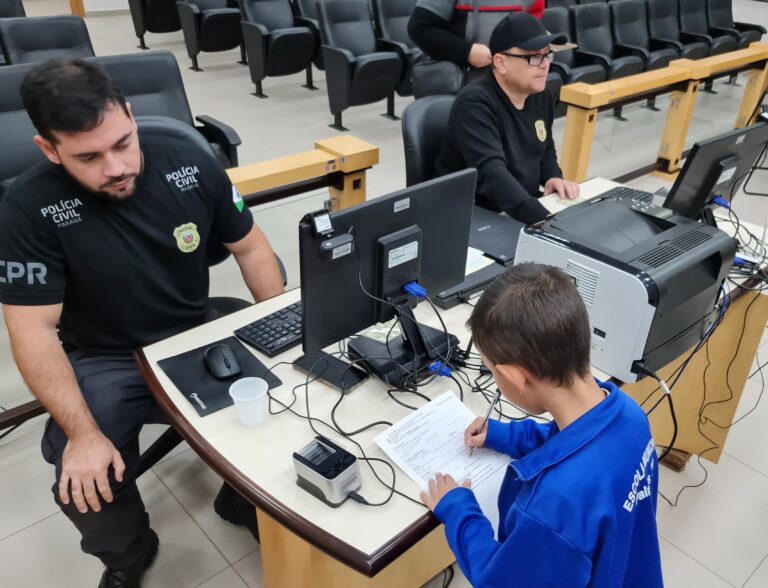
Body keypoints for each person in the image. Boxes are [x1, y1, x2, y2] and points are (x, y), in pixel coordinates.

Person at [0, 59, 284, 588]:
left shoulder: (188, 159)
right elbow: (31, 330)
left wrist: (288, 326)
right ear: (49, 150)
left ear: (131, 116)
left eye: (123, 142)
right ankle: (128, 551)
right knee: (79, 467)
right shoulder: (27, 207)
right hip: (109, 355)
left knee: (292, 395)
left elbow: (250, 247)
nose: (115, 166)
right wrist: (83, 435)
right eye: (89, 156)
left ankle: (241, 497)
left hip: (198, 326)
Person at [420, 263, 663, 587]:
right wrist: (505, 434)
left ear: (513, 378)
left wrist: (458, 510)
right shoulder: (629, 415)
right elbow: (574, 442)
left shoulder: (553, 507)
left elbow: (500, 580)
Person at [434, 14, 580, 224]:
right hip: (470, 213)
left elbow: (545, 146)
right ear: (500, 63)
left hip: (515, 206)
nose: (545, 65)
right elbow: (492, 175)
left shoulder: (541, 93)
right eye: (534, 57)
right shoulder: (475, 104)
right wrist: (550, 222)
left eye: (547, 55)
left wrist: (552, 176)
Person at [408, 0, 546, 72]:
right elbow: (419, 28)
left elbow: (531, 21)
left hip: (511, 77)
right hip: (461, 79)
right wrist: (467, 52)